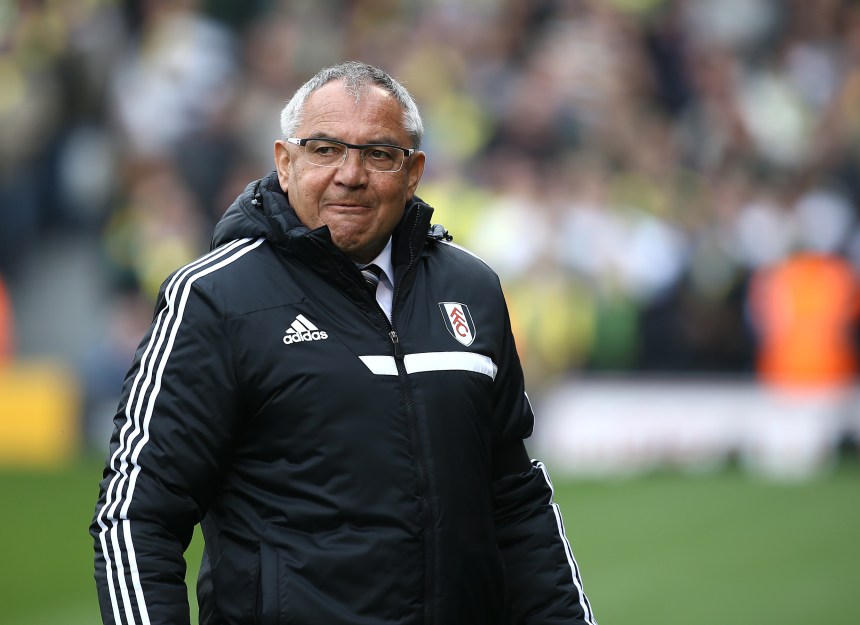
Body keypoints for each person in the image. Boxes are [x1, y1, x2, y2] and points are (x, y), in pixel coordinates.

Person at [91, 61, 596, 625]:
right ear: (285, 163)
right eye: (325, 149)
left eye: (379, 154)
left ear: (414, 173)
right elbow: (135, 517)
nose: (350, 174)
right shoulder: (216, 299)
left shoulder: (471, 289)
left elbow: (514, 503)